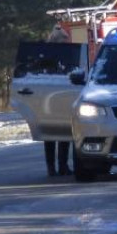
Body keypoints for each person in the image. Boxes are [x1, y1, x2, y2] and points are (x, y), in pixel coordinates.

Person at [44, 24, 72, 177]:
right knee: (51, 135)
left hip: (61, 99)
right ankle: (53, 167)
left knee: (64, 133)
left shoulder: (66, 56)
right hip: (50, 100)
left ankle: (61, 166)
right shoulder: (48, 58)